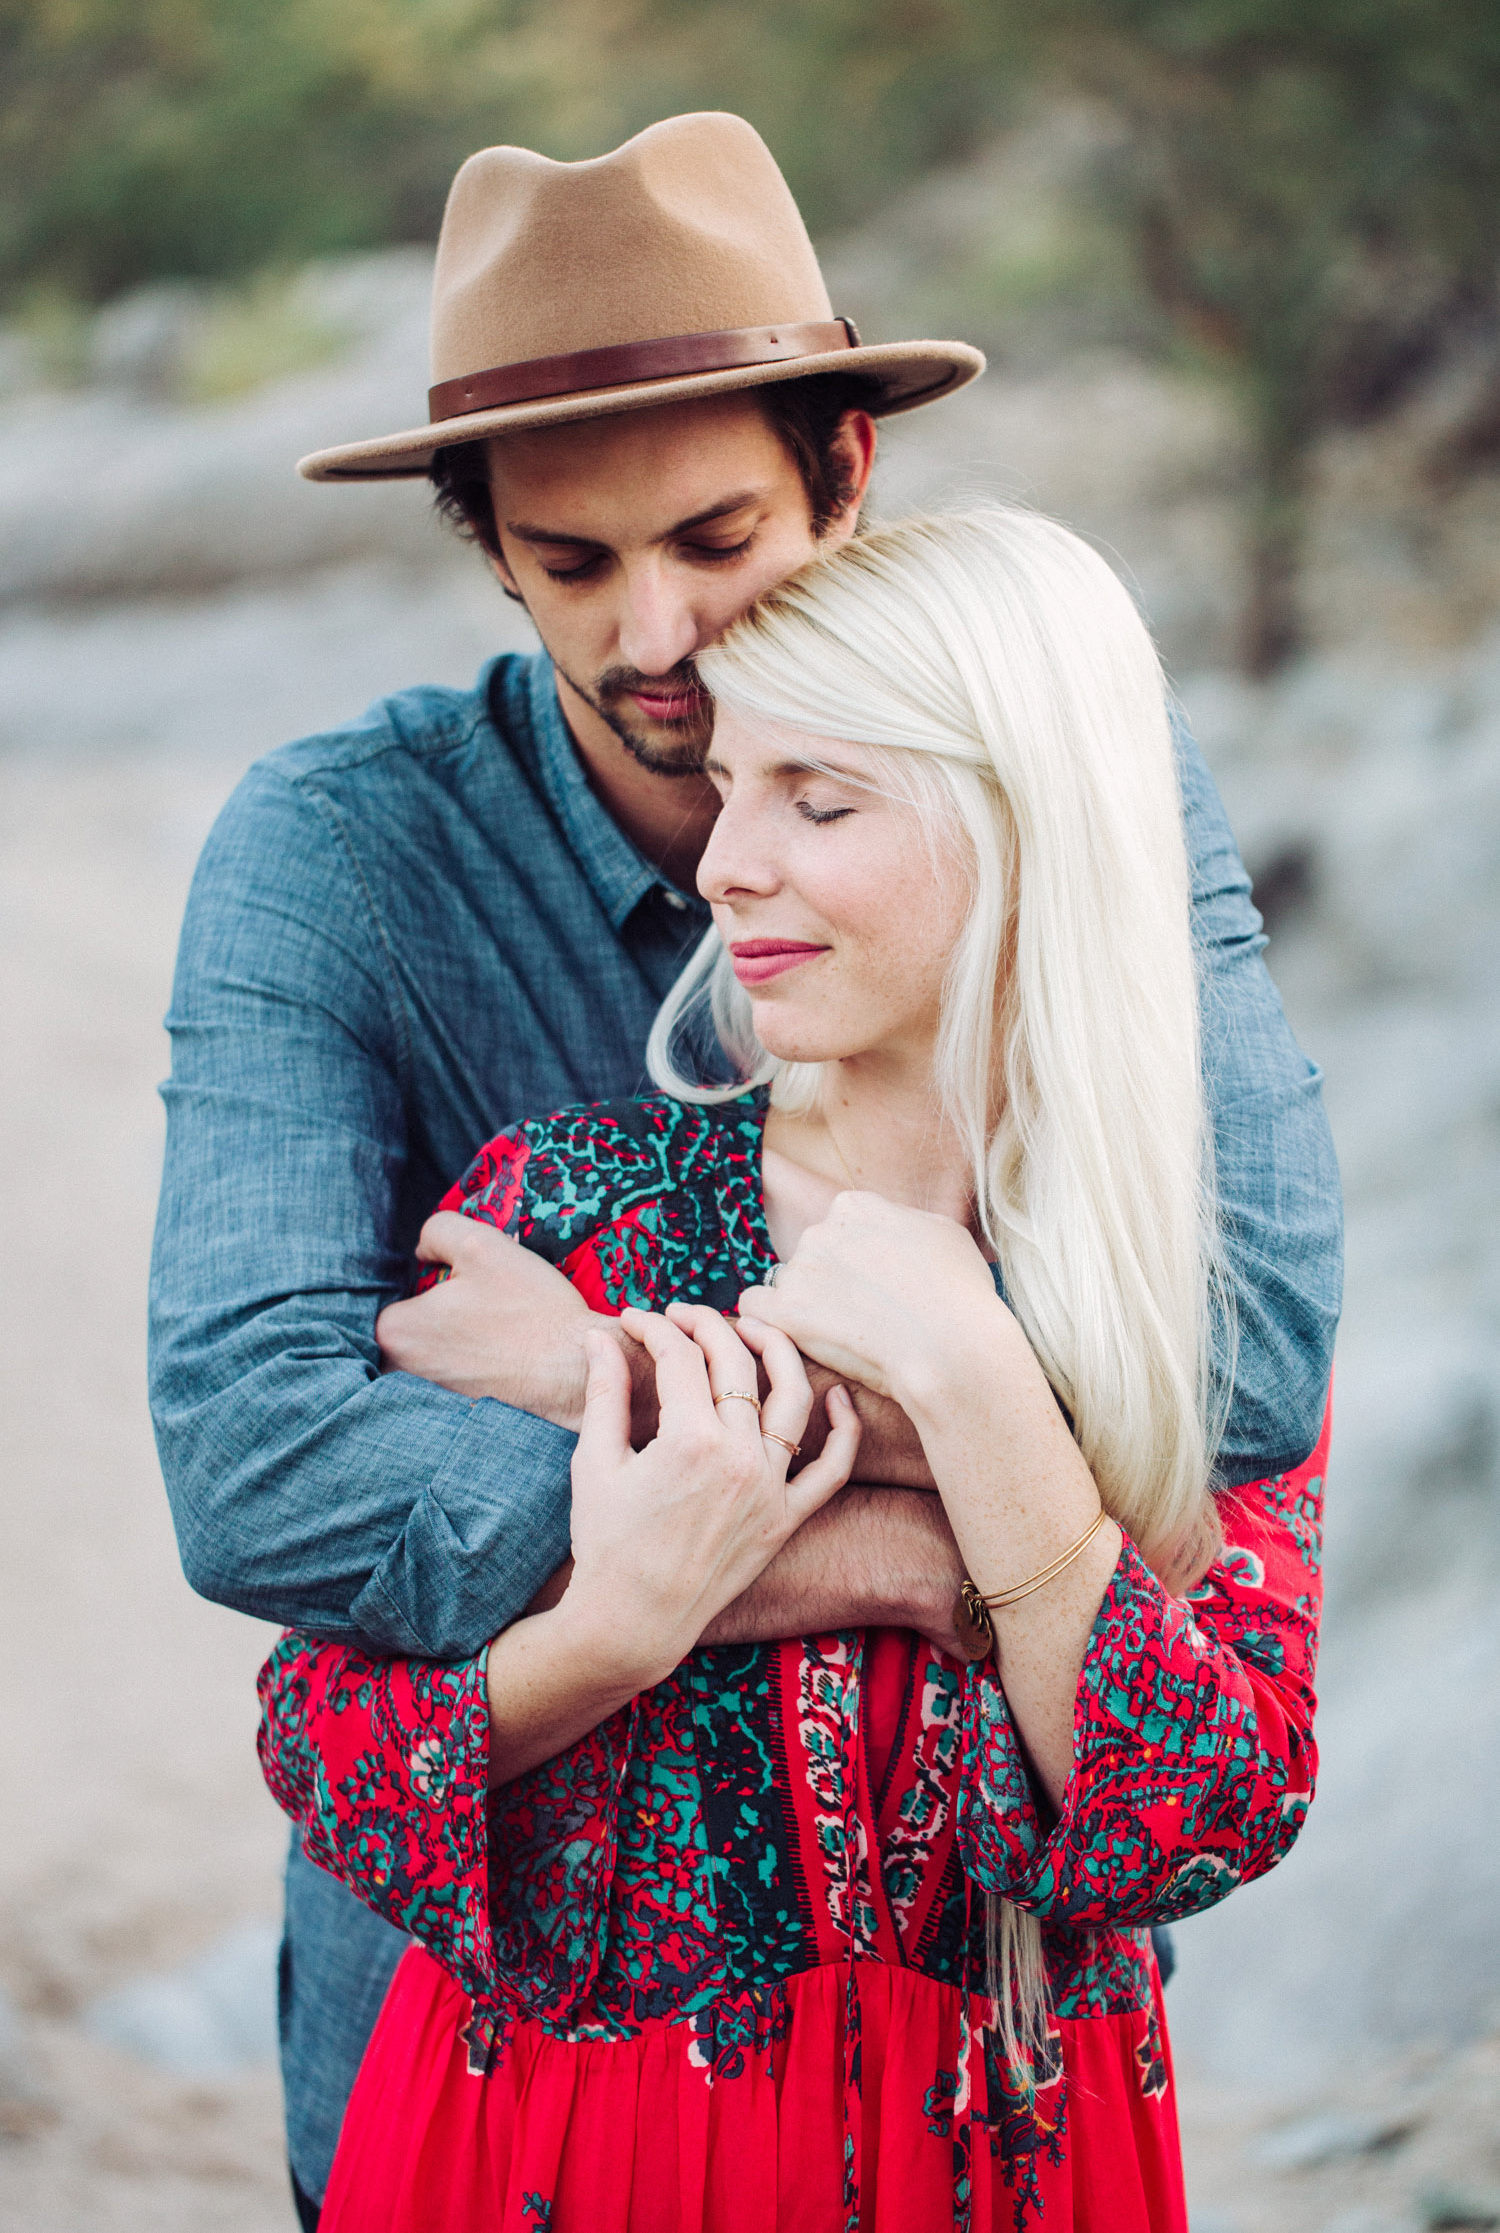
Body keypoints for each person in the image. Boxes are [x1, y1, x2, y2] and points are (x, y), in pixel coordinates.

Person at [147, 114, 1341, 2221]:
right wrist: (938, 1556)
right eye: (572, 563)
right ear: (490, 545)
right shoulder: (337, 856)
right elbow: (258, 1464)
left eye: (715, 536)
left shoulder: (1080, 781)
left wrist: (573, 1376)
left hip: (987, 2043)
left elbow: (1230, 1368)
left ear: (848, 474)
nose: (659, 638)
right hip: (503, 2005)